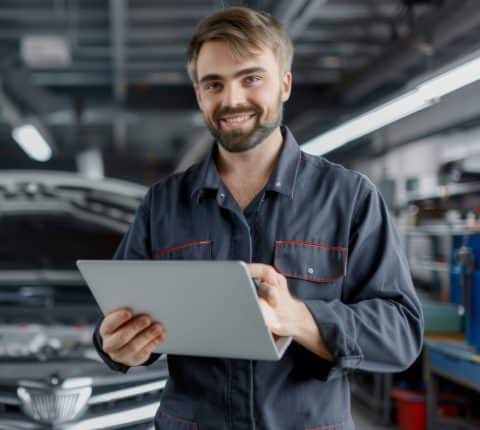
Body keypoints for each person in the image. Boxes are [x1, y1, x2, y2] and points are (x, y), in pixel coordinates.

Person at [92, 6, 423, 430]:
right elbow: (117, 317)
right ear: (199, 95)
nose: (232, 100)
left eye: (251, 78)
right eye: (214, 84)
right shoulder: (162, 204)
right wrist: (114, 344)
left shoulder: (350, 198)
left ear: (284, 84)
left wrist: (296, 318)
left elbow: (401, 334)